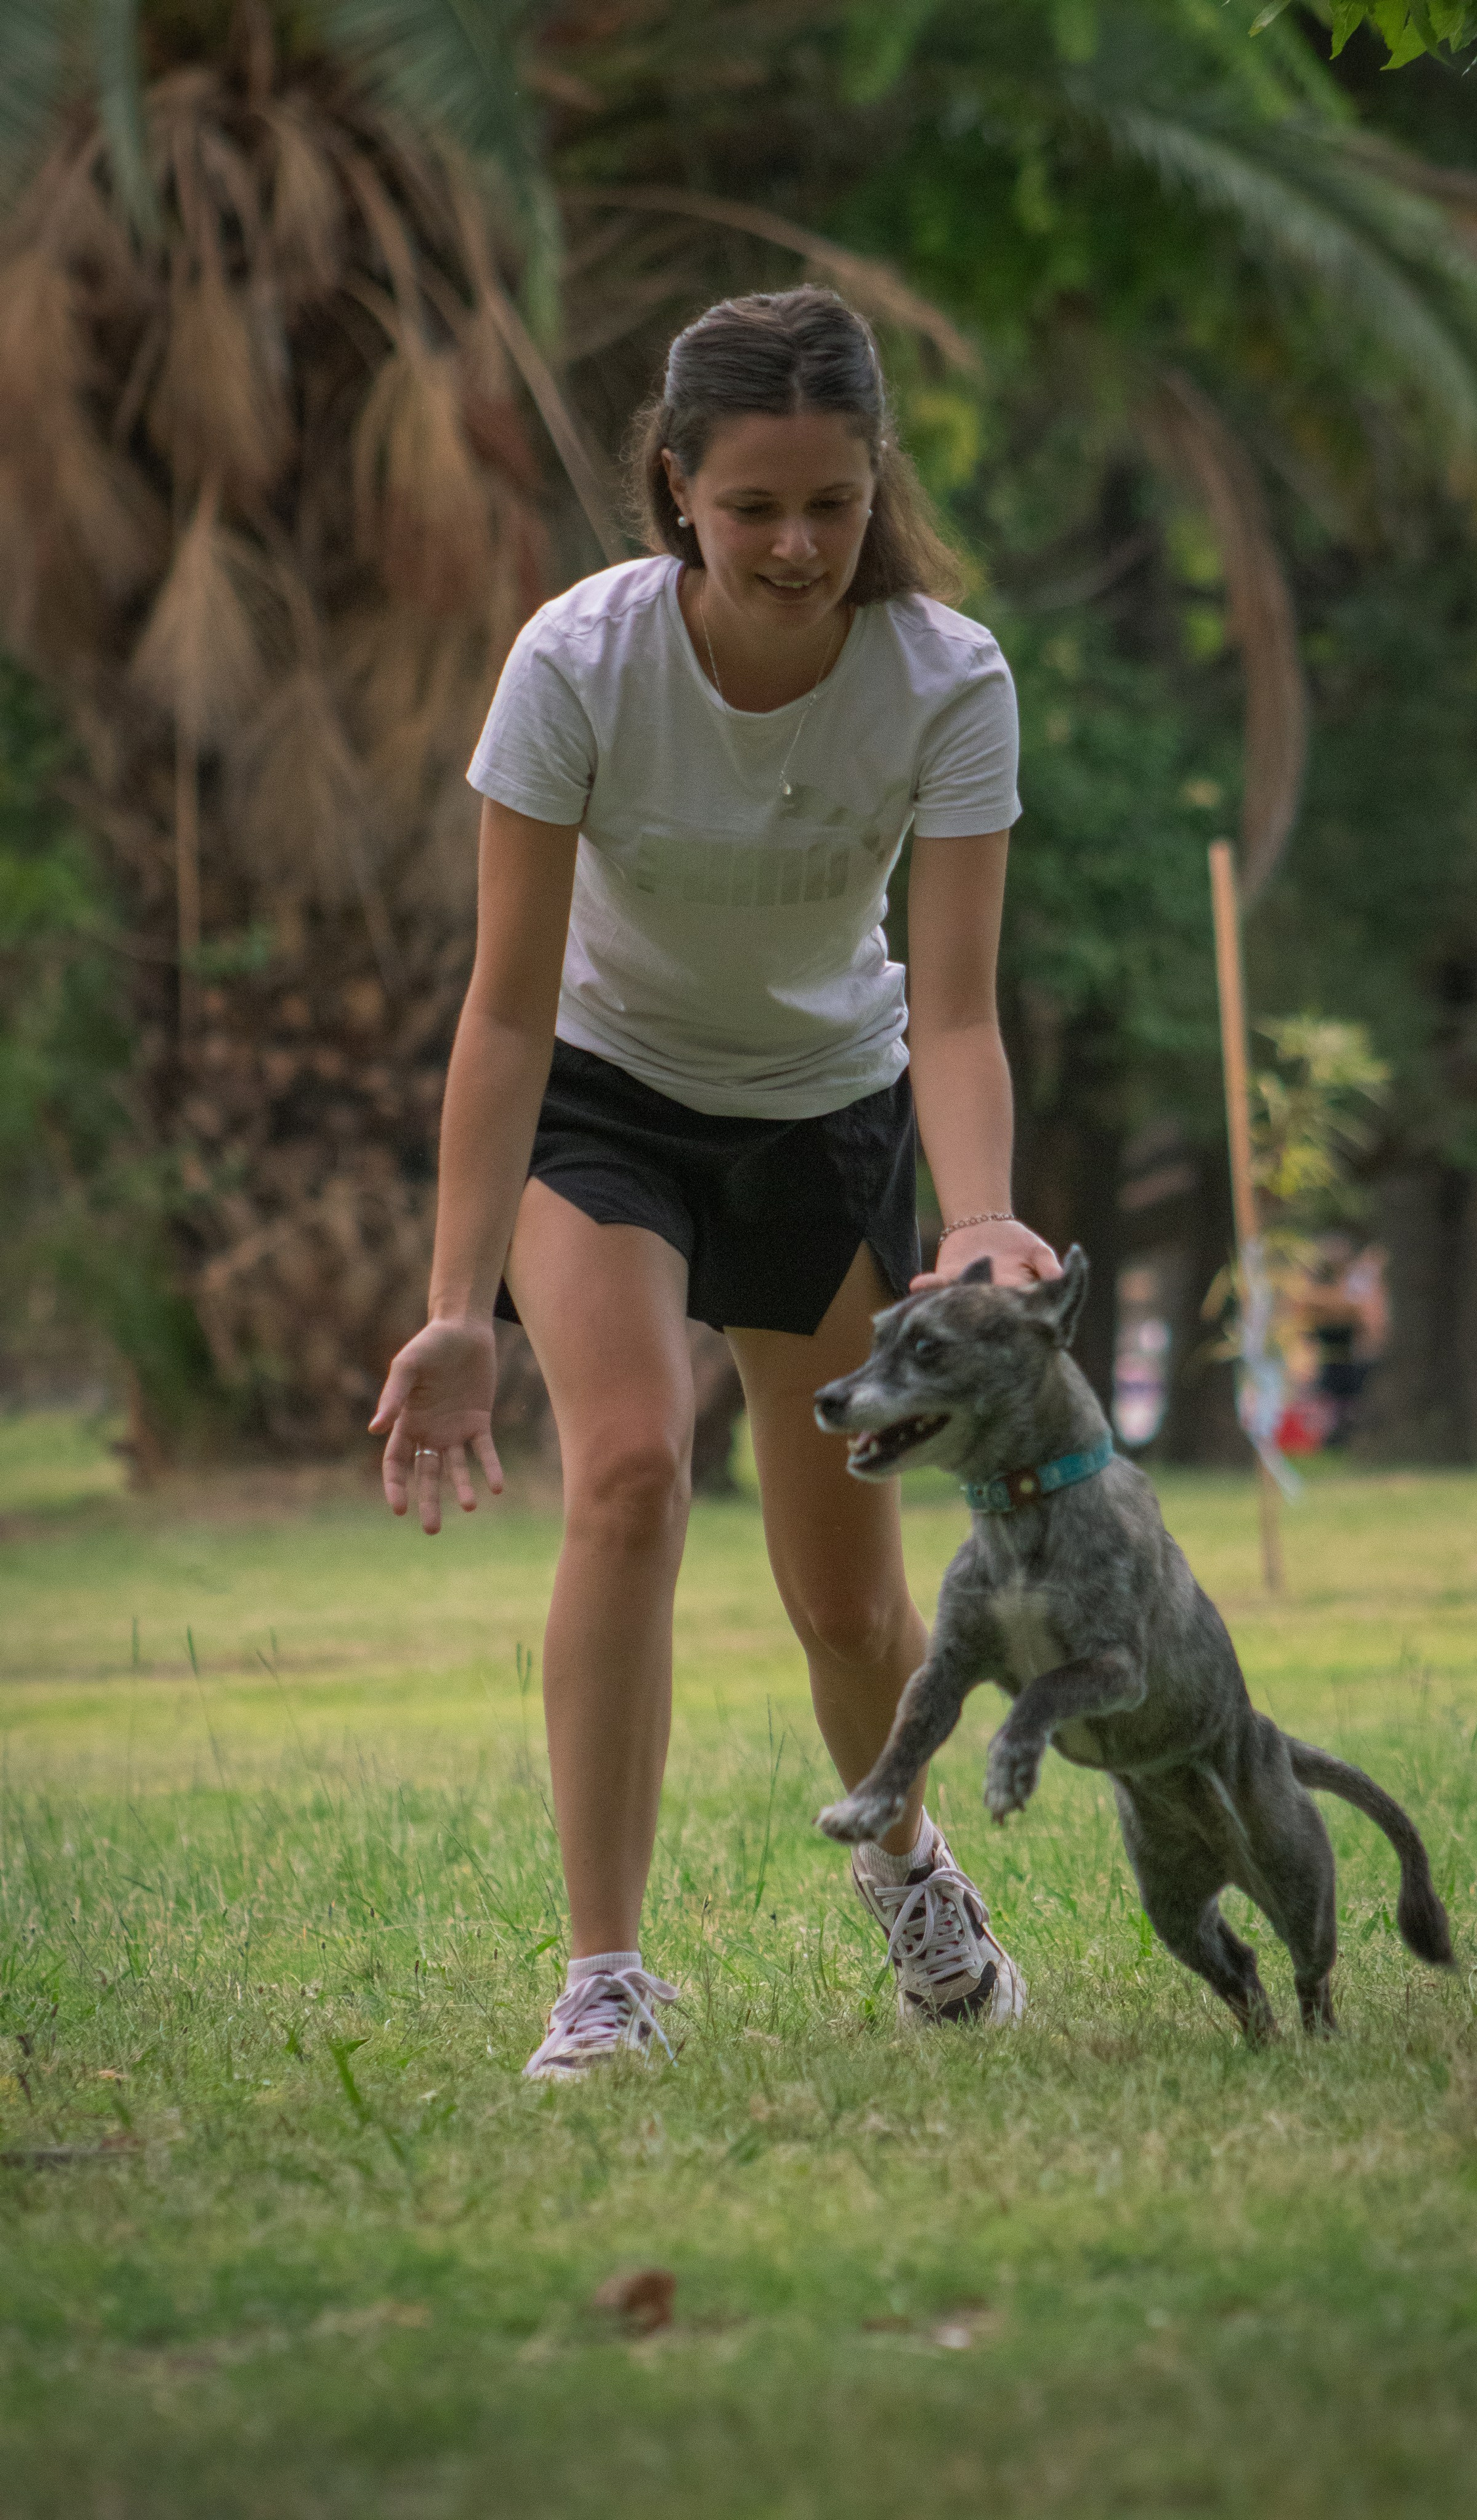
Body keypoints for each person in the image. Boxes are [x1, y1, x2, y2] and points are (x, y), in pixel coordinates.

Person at [370, 289, 1060, 2082]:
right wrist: (455, 1309)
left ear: (872, 484)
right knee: (624, 1477)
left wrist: (979, 1216)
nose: (796, 543)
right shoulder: (578, 665)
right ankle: (606, 1975)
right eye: (753, 505)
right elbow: (508, 1009)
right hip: (602, 1098)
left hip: (824, 1112)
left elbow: (964, 1006)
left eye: (831, 502)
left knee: (847, 1603)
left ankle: (906, 1866)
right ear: (676, 488)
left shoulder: (948, 676)